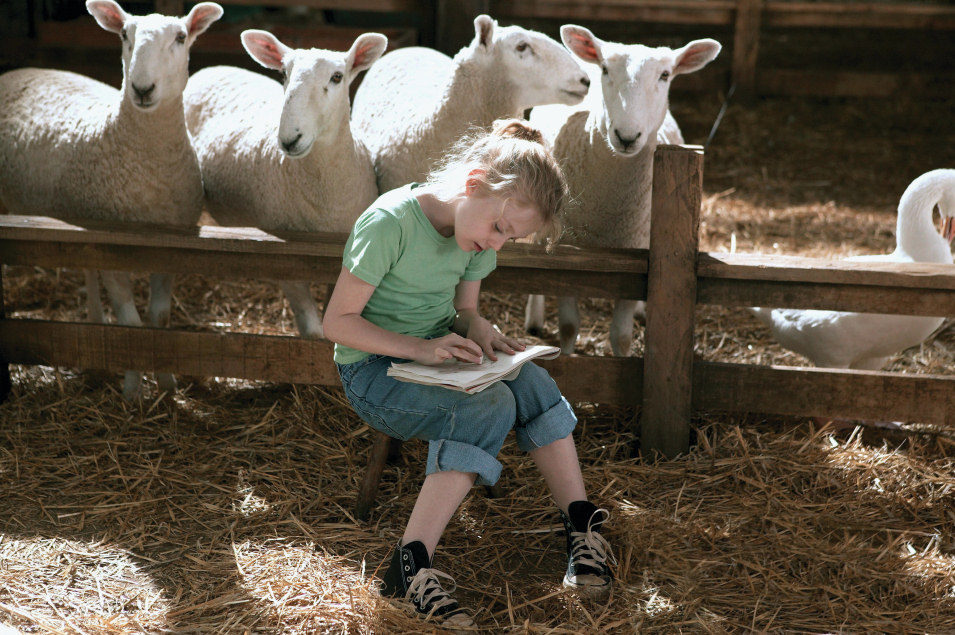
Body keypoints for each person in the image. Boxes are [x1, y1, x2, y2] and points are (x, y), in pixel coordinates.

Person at [323, 119, 614, 627]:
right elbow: (337, 324)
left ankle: (581, 525)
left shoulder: (474, 239)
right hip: (374, 372)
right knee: (492, 405)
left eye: (512, 238)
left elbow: (462, 311)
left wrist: (479, 328)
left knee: (534, 384)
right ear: (473, 182)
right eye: (500, 229)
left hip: (440, 355)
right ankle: (409, 568)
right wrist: (422, 347)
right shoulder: (389, 222)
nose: (498, 245)